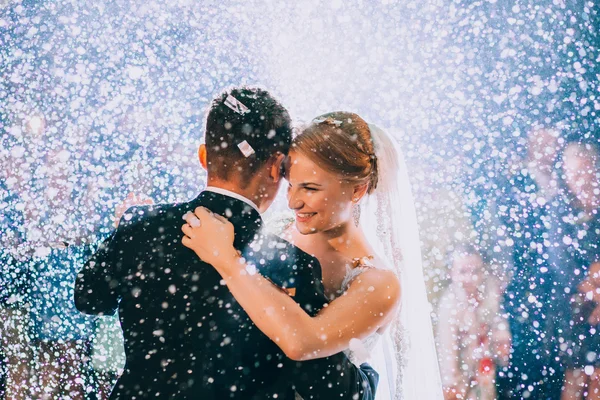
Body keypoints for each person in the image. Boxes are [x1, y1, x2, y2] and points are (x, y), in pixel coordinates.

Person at [75, 87, 378, 399]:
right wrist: (367, 375)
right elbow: (330, 390)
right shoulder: (291, 264)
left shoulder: (140, 226)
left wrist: (124, 240)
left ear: (204, 156)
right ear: (277, 167)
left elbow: (89, 298)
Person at [181, 112, 443, 399]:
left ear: (357, 191)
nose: (293, 201)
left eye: (310, 188)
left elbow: (303, 343)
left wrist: (226, 258)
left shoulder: (378, 284)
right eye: (291, 184)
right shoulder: (275, 232)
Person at [546, 140, 600, 400]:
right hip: (574, 304)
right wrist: (589, 289)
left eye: (582, 172)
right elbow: (559, 258)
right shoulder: (560, 207)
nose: (577, 180)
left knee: (598, 377)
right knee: (575, 374)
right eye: (571, 174)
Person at [436, 244, 510, 400]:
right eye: (462, 272)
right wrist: (451, 383)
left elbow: (499, 323)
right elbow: (447, 349)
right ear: (451, 273)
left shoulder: (489, 293)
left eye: (475, 271)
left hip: (485, 366)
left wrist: (500, 341)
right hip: (460, 374)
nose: (470, 278)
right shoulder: (449, 304)